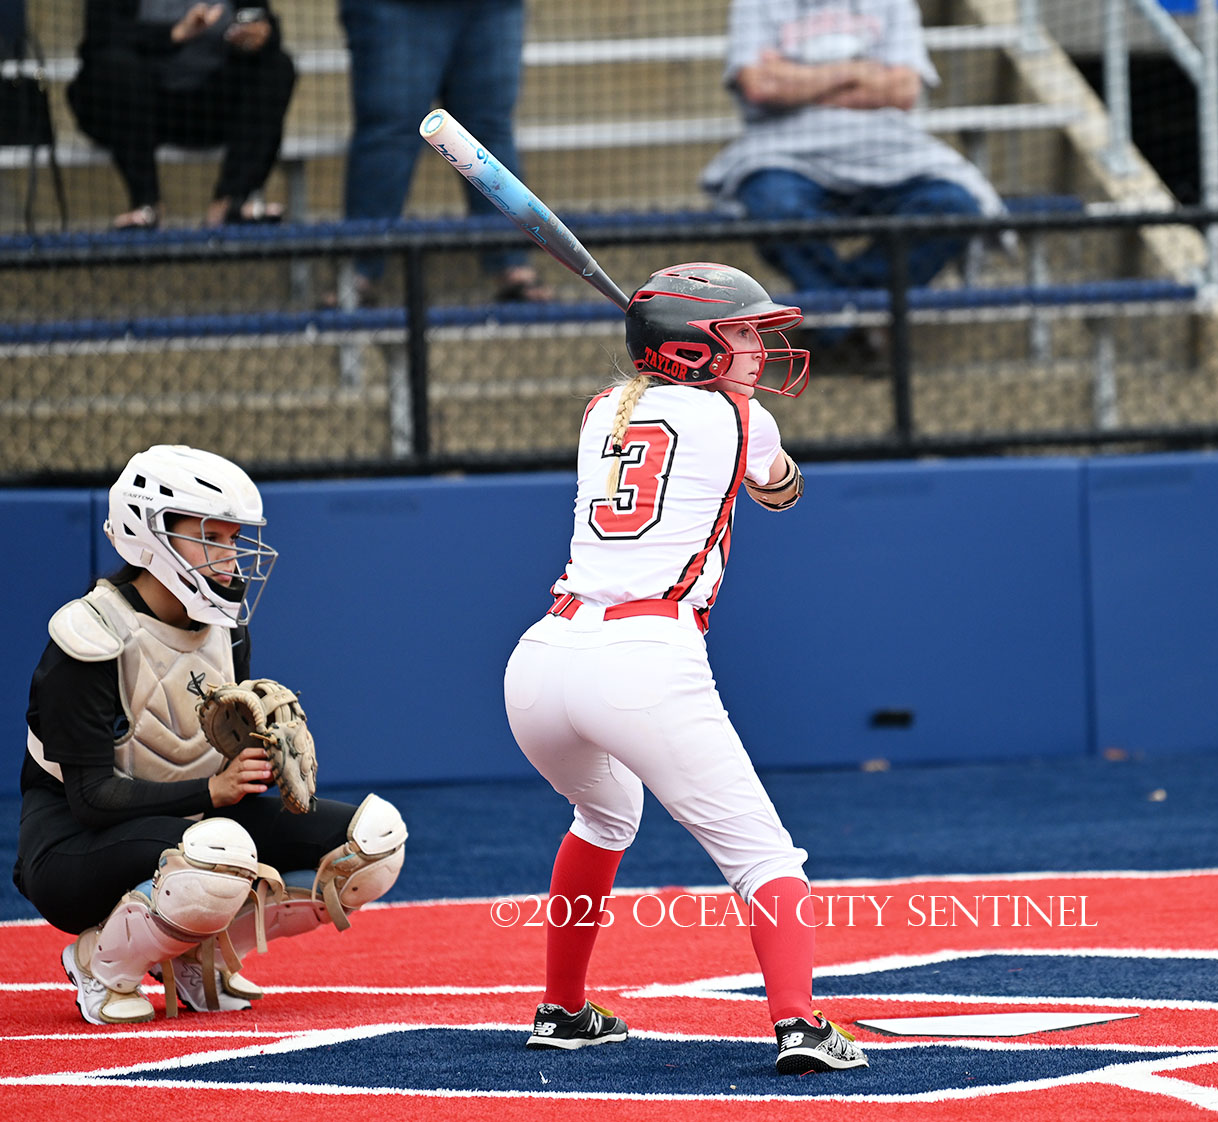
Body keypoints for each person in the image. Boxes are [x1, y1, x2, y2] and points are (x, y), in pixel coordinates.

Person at [502, 262, 869, 1076]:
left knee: (603, 819)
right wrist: (761, 445)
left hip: (543, 660)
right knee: (765, 857)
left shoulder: (603, 409)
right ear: (692, 349)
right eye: (740, 334)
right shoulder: (742, 418)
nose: (759, 348)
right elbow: (782, 491)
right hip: (644, 657)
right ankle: (801, 1025)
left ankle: (564, 1011)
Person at [13, 444, 407, 1026]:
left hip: (193, 823)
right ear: (149, 534)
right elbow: (91, 798)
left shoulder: (226, 628)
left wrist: (259, 757)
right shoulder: (90, 637)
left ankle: (200, 956)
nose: (231, 555)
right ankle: (100, 961)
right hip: (72, 849)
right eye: (211, 537)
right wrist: (213, 792)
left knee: (374, 844)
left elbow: (215, 765)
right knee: (219, 851)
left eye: (234, 538)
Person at [700, 0, 1005, 358]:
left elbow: (903, 90)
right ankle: (856, 326)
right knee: (772, 202)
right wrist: (857, 72)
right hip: (782, 151)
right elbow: (761, 86)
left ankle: (840, 317)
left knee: (955, 205)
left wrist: (797, 78)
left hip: (890, 150)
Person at [334, 0, 549, 306]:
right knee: (388, 134)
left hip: (491, 7)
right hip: (394, 10)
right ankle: (358, 273)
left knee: (488, 133)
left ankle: (512, 265)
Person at [66, 2, 295, 230]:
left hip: (210, 107)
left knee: (277, 67)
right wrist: (174, 34)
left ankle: (229, 204)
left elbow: (267, 27)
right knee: (117, 68)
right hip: (135, 109)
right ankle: (146, 207)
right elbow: (99, 38)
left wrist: (261, 35)